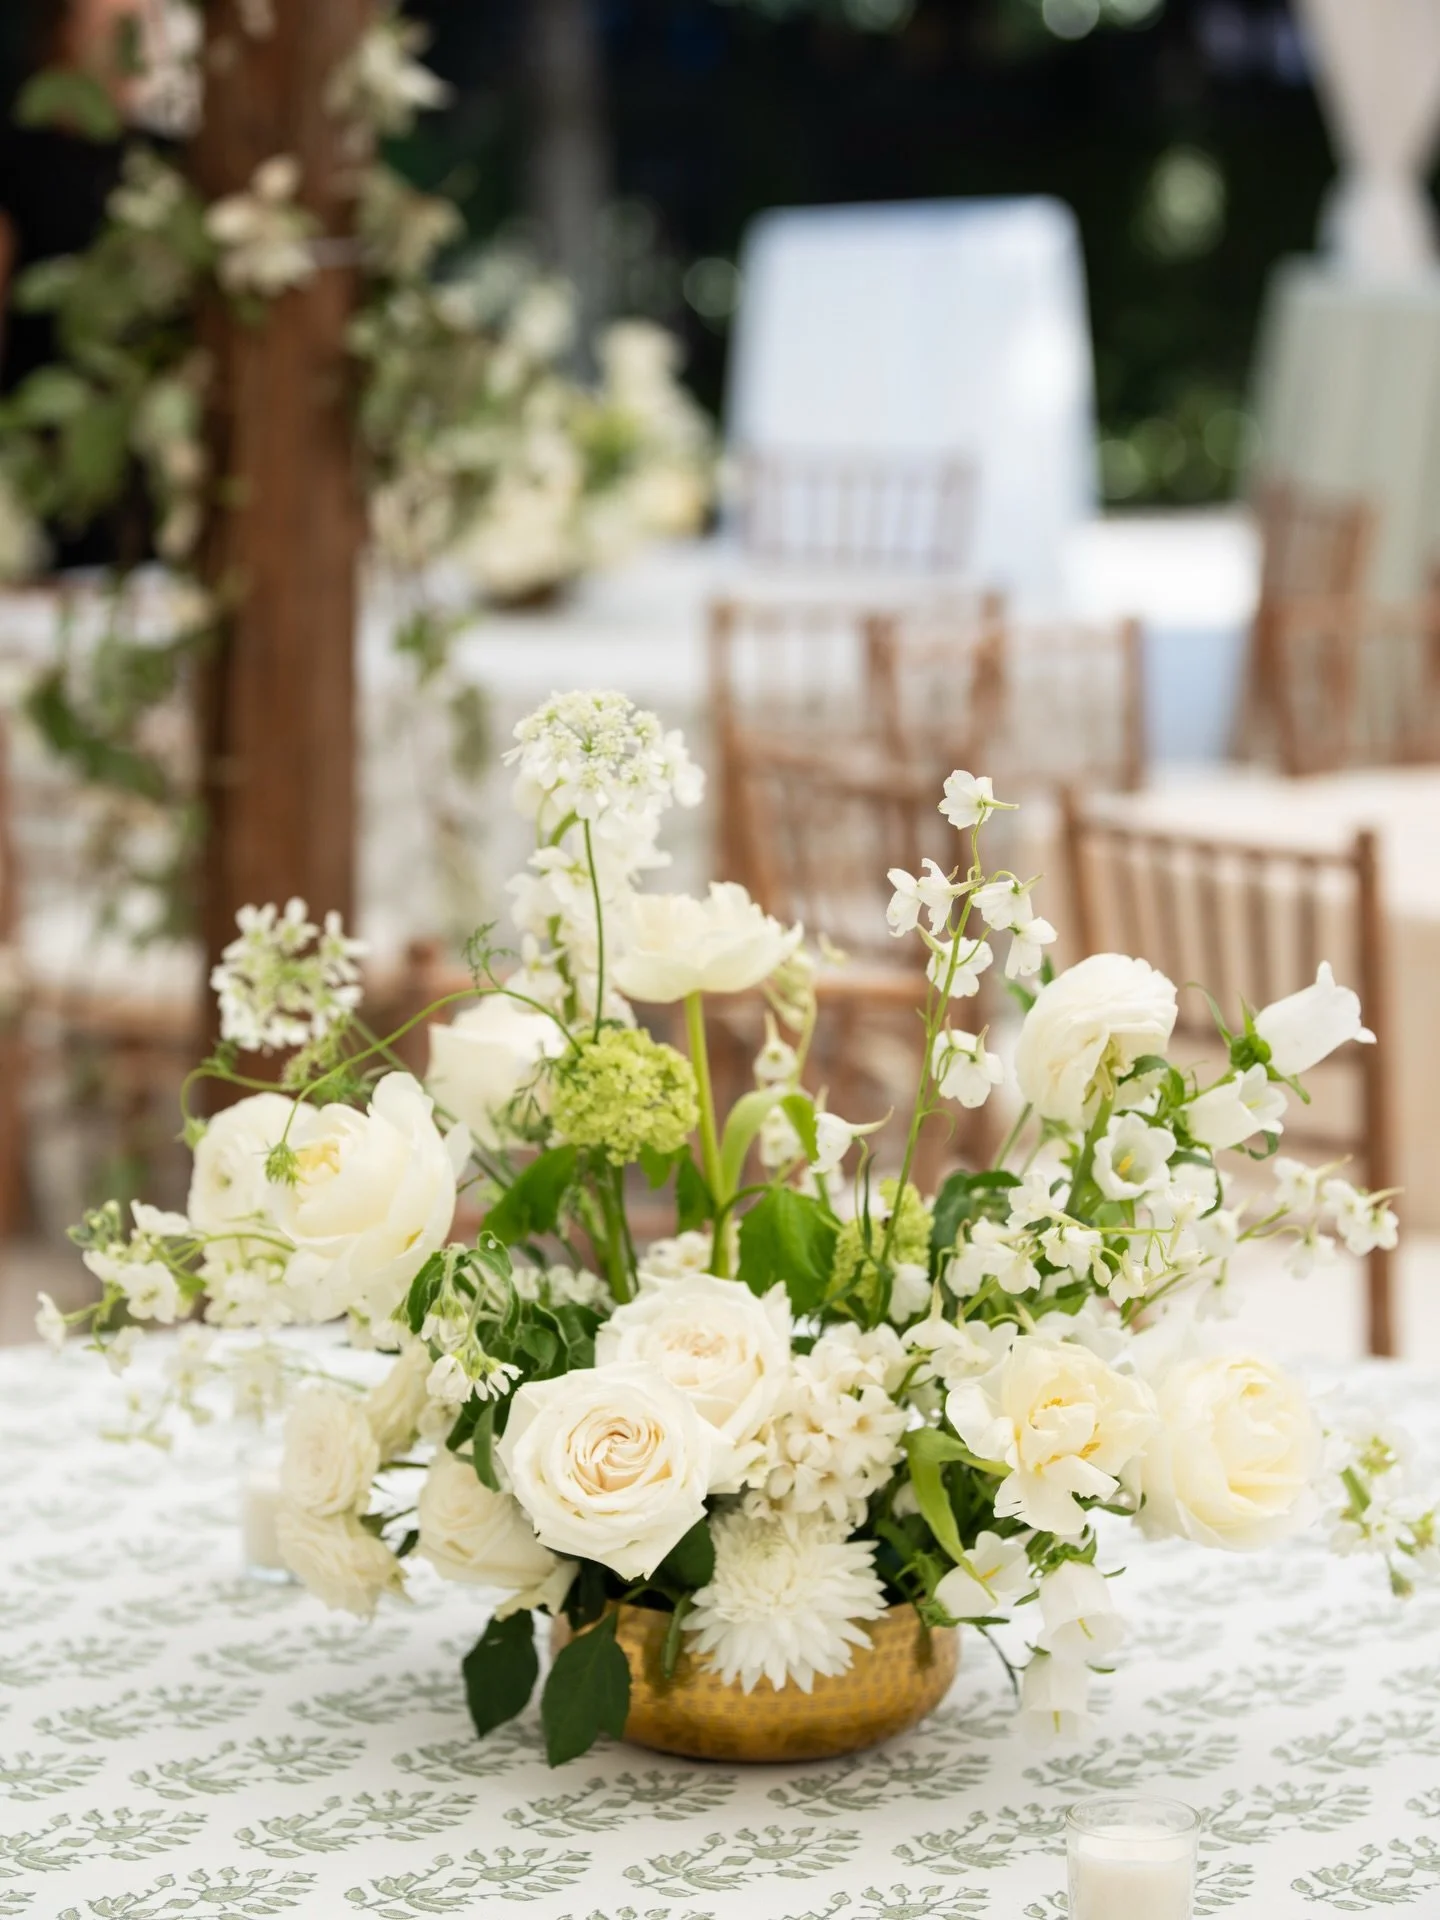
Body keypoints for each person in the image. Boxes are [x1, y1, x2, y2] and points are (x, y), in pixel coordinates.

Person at [0, 0, 173, 567]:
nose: (126, 46)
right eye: (107, 28)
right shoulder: (20, 153)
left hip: (152, 419)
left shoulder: (165, 162)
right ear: (62, 40)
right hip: (51, 418)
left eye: (139, 28)